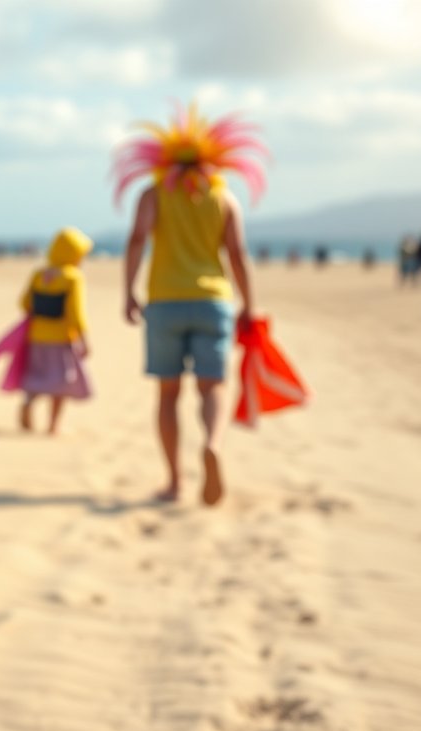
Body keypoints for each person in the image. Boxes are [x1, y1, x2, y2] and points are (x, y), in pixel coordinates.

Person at [113, 103, 264, 505]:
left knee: (167, 394)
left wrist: (128, 291)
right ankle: (212, 443)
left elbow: (137, 239)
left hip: (165, 302)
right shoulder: (223, 197)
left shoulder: (153, 194)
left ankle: (175, 481)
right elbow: (237, 253)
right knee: (213, 385)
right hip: (213, 300)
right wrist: (248, 305)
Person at [17, 227, 93, 435]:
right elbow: (76, 313)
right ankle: (53, 425)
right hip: (61, 338)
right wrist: (84, 340)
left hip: (36, 336)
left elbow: (24, 303)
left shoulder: (39, 274)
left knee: (38, 376)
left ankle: (29, 403)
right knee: (61, 382)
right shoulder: (72, 277)